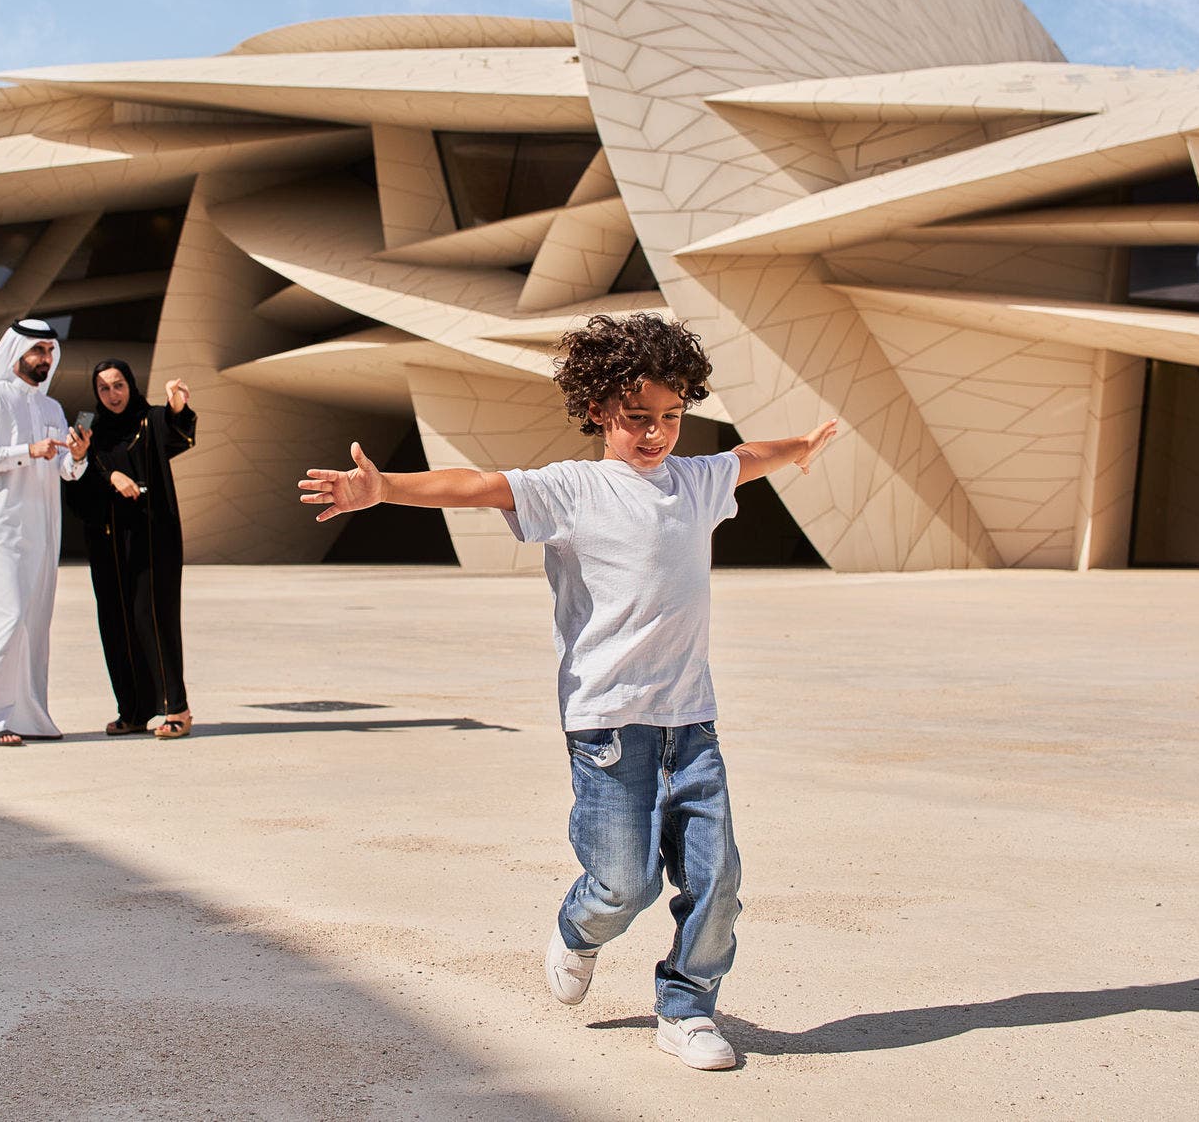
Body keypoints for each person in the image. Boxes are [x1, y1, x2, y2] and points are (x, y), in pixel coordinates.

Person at [298, 312, 838, 1071]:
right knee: (625, 883)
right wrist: (385, 487)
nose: (656, 434)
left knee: (718, 878)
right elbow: (479, 485)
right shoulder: (572, 489)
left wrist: (802, 448)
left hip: (691, 723)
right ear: (597, 409)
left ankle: (686, 1009)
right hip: (608, 726)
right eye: (636, 419)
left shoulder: (696, 479)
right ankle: (581, 930)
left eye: (672, 417)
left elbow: (749, 456)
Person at [0, 319, 90, 746]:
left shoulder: (52, 409)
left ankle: (26, 716)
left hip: (41, 532)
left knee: (31, 622)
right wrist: (24, 451)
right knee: (1, 618)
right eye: (38, 351)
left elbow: (64, 469)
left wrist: (78, 457)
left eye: (50, 351)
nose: (45, 359)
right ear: (17, 353)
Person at [67, 359, 198, 740]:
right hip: (107, 541)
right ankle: (133, 711)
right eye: (104, 388)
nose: (112, 394)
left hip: (151, 538)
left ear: (131, 385)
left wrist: (176, 405)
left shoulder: (149, 419)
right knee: (116, 621)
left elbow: (178, 434)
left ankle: (178, 709)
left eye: (118, 385)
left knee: (152, 617)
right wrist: (104, 472)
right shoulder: (88, 427)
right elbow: (76, 475)